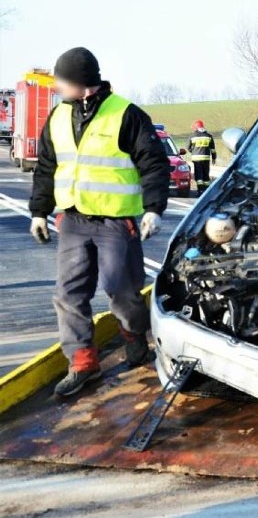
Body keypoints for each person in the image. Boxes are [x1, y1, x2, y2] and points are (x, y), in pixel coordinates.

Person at [28, 47, 170, 396]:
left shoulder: (126, 115)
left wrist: (153, 209)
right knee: (68, 293)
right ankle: (82, 362)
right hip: (73, 220)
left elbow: (153, 164)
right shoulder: (58, 117)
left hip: (115, 222)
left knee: (121, 291)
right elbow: (47, 167)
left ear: (80, 82)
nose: (57, 87)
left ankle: (133, 332)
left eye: (61, 81)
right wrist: (38, 211)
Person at [188, 119, 216, 194]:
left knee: (199, 176)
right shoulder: (209, 136)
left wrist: (193, 151)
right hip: (206, 159)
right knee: (206, 175)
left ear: (196, 127)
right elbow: (213, 149)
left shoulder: (192, 136)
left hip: (196, 159)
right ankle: (206, 192)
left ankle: (200, 191)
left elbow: (188, 147)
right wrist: (214, 158)